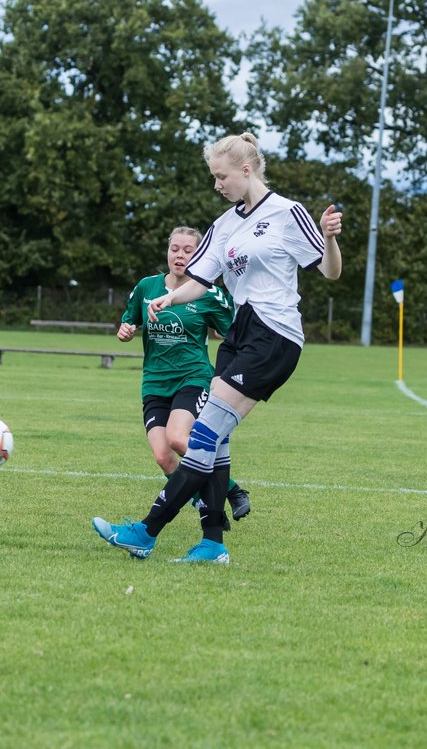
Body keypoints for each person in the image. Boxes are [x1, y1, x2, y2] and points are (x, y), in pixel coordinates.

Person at [93, 132, 342, 563]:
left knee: (203, 434)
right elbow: (201, 280)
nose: (217, 185)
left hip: (275, 334)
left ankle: (145, 531)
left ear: (246, 170)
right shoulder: (225, 225)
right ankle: (212, 544)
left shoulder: (288, 213)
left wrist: (329, 236)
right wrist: (168, 298)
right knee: (216, 441)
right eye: (214, 177)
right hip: (240, 335)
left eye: (221, 176)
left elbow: (330, 271)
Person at [117, 226, 251, 522]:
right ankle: (206, 501)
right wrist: (125, 330)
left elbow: (230, 334)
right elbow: (129, 322)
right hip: (154, 382)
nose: (179, 255)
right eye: (174, 249)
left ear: (199, 254)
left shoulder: (207, 293)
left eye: (188, 250)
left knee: (179, 439)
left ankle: (230, 491)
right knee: (163, 456)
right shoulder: (146, 287)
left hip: (193, 377)